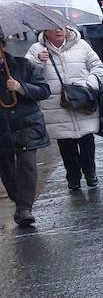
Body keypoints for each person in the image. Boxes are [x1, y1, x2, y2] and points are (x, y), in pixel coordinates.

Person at [28, 27, 103, 191]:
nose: (58, 30)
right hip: (56, 105)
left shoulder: (82, 45)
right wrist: (38, 61)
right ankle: (73, 177)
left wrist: (90, 84)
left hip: (82, 101)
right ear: (44, 31)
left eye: (61, 27)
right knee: (66, 144)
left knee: (87, 140)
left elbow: (97, 66)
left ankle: (90, 172)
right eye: (53, 28)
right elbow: (28, 75)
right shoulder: (36, 50)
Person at [0, 46, 51, 227]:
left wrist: (20, 87)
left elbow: (44, 90)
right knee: (6, 167)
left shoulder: (22, 65)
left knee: (27, 162)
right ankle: (19, 200)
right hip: (2, 128)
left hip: (27, 124)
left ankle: (24, 208)